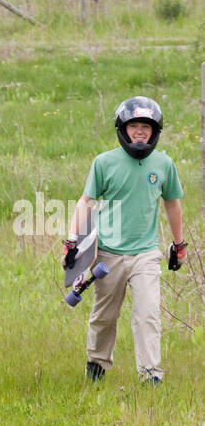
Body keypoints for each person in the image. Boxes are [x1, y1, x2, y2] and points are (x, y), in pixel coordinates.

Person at [65, 96, 184, 385]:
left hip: (146, 253)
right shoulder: (104, 163)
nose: (140, 132)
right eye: (134, 126)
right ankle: (96, 364)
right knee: (105, 315)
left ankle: (150, 374)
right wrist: (72, 241)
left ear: (155, 132)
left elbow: (172, 204)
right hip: (107, 254)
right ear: (123, 129)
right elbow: (86, 201)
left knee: (148, 315)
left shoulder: (164, 164)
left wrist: (178, 246)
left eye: (146, 126)